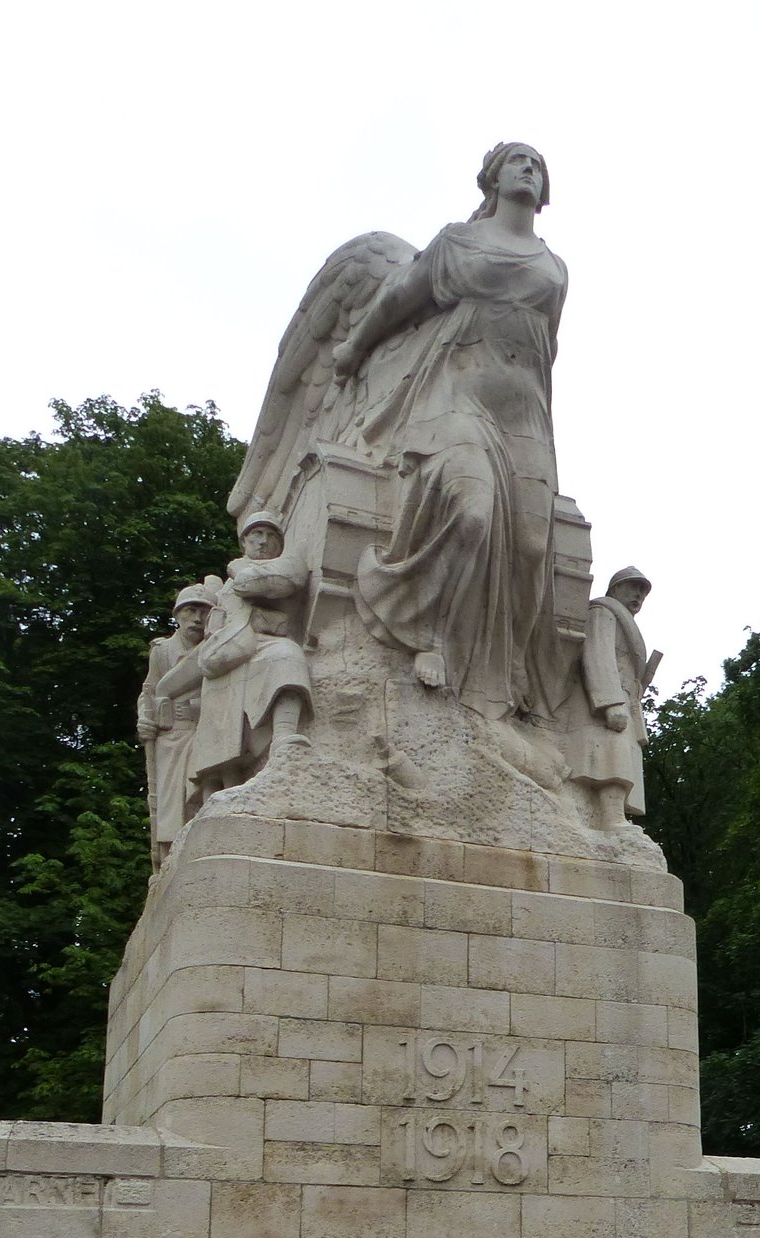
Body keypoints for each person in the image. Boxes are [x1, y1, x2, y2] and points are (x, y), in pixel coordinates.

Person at [334, 143, 568, 727]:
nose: (528, 169)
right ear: (493, 178)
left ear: (547, 190)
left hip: (526, 413)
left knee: (534, 548)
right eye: (518, 160)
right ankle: (429, 630)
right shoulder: (457, 244)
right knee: (471, 511)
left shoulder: (555, 267)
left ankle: (510, 660)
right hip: (456, 397)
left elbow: (547, 348)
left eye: (537, 165)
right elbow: (399, 295)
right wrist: (355, 347)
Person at [160, 512, 312, 803]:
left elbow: (261, 584)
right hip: (226, 653)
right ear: (244, 540)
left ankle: (284, 738)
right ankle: (218, 790)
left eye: (270, 535)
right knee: (216, 712)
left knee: (287, 656)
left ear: (281, 542)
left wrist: (241, 568)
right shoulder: (229, 582)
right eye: (256, 534)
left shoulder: (284, 565)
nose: (263, 540)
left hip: (265, 644)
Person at [568, 567, 657, 831]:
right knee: (610, 758)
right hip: (605, 703)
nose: (639, 595)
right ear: (614, 589)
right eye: (633, 587)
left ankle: (612, 817)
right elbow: (598, 654)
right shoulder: (602, 612)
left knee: (621, 757)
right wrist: (610, 703)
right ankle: (610, 818)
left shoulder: (623, 620)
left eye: (643, 591)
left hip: (625, 700)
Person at [137, 581, 218, 867]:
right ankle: (170, 856)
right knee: (170, 801)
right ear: (178, 614)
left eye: (204, 612)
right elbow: (149, 690)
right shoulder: (162, 651)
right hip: (170, 733)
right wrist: (144, 718)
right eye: (191, 610)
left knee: (199, 791)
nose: (197, 618)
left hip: (204, 728)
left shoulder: (216, 648)